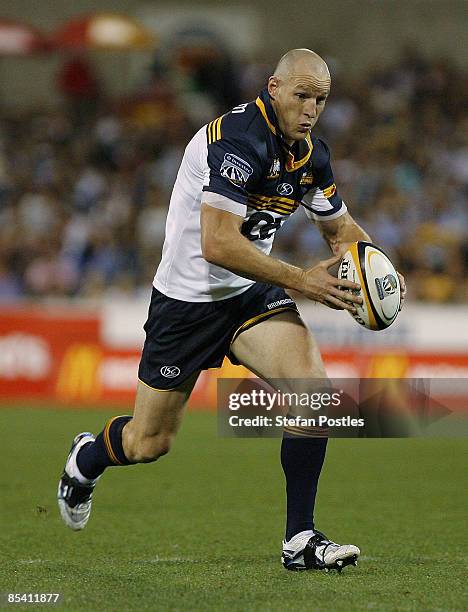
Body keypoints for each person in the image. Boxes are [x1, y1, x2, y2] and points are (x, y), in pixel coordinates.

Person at [58, 49, 406, 572]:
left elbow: (339, 230)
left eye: (321, 99)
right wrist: (300, 279)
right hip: (187, 303)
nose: (311, 109)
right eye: (302, 95)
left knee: (312, 392)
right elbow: (218, 244)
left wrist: (377, 263)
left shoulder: (312, 155)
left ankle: (300, 539)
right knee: (149, 442)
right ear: (273, 87)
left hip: (248, 294)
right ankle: (87, 459)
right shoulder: (238, 141)